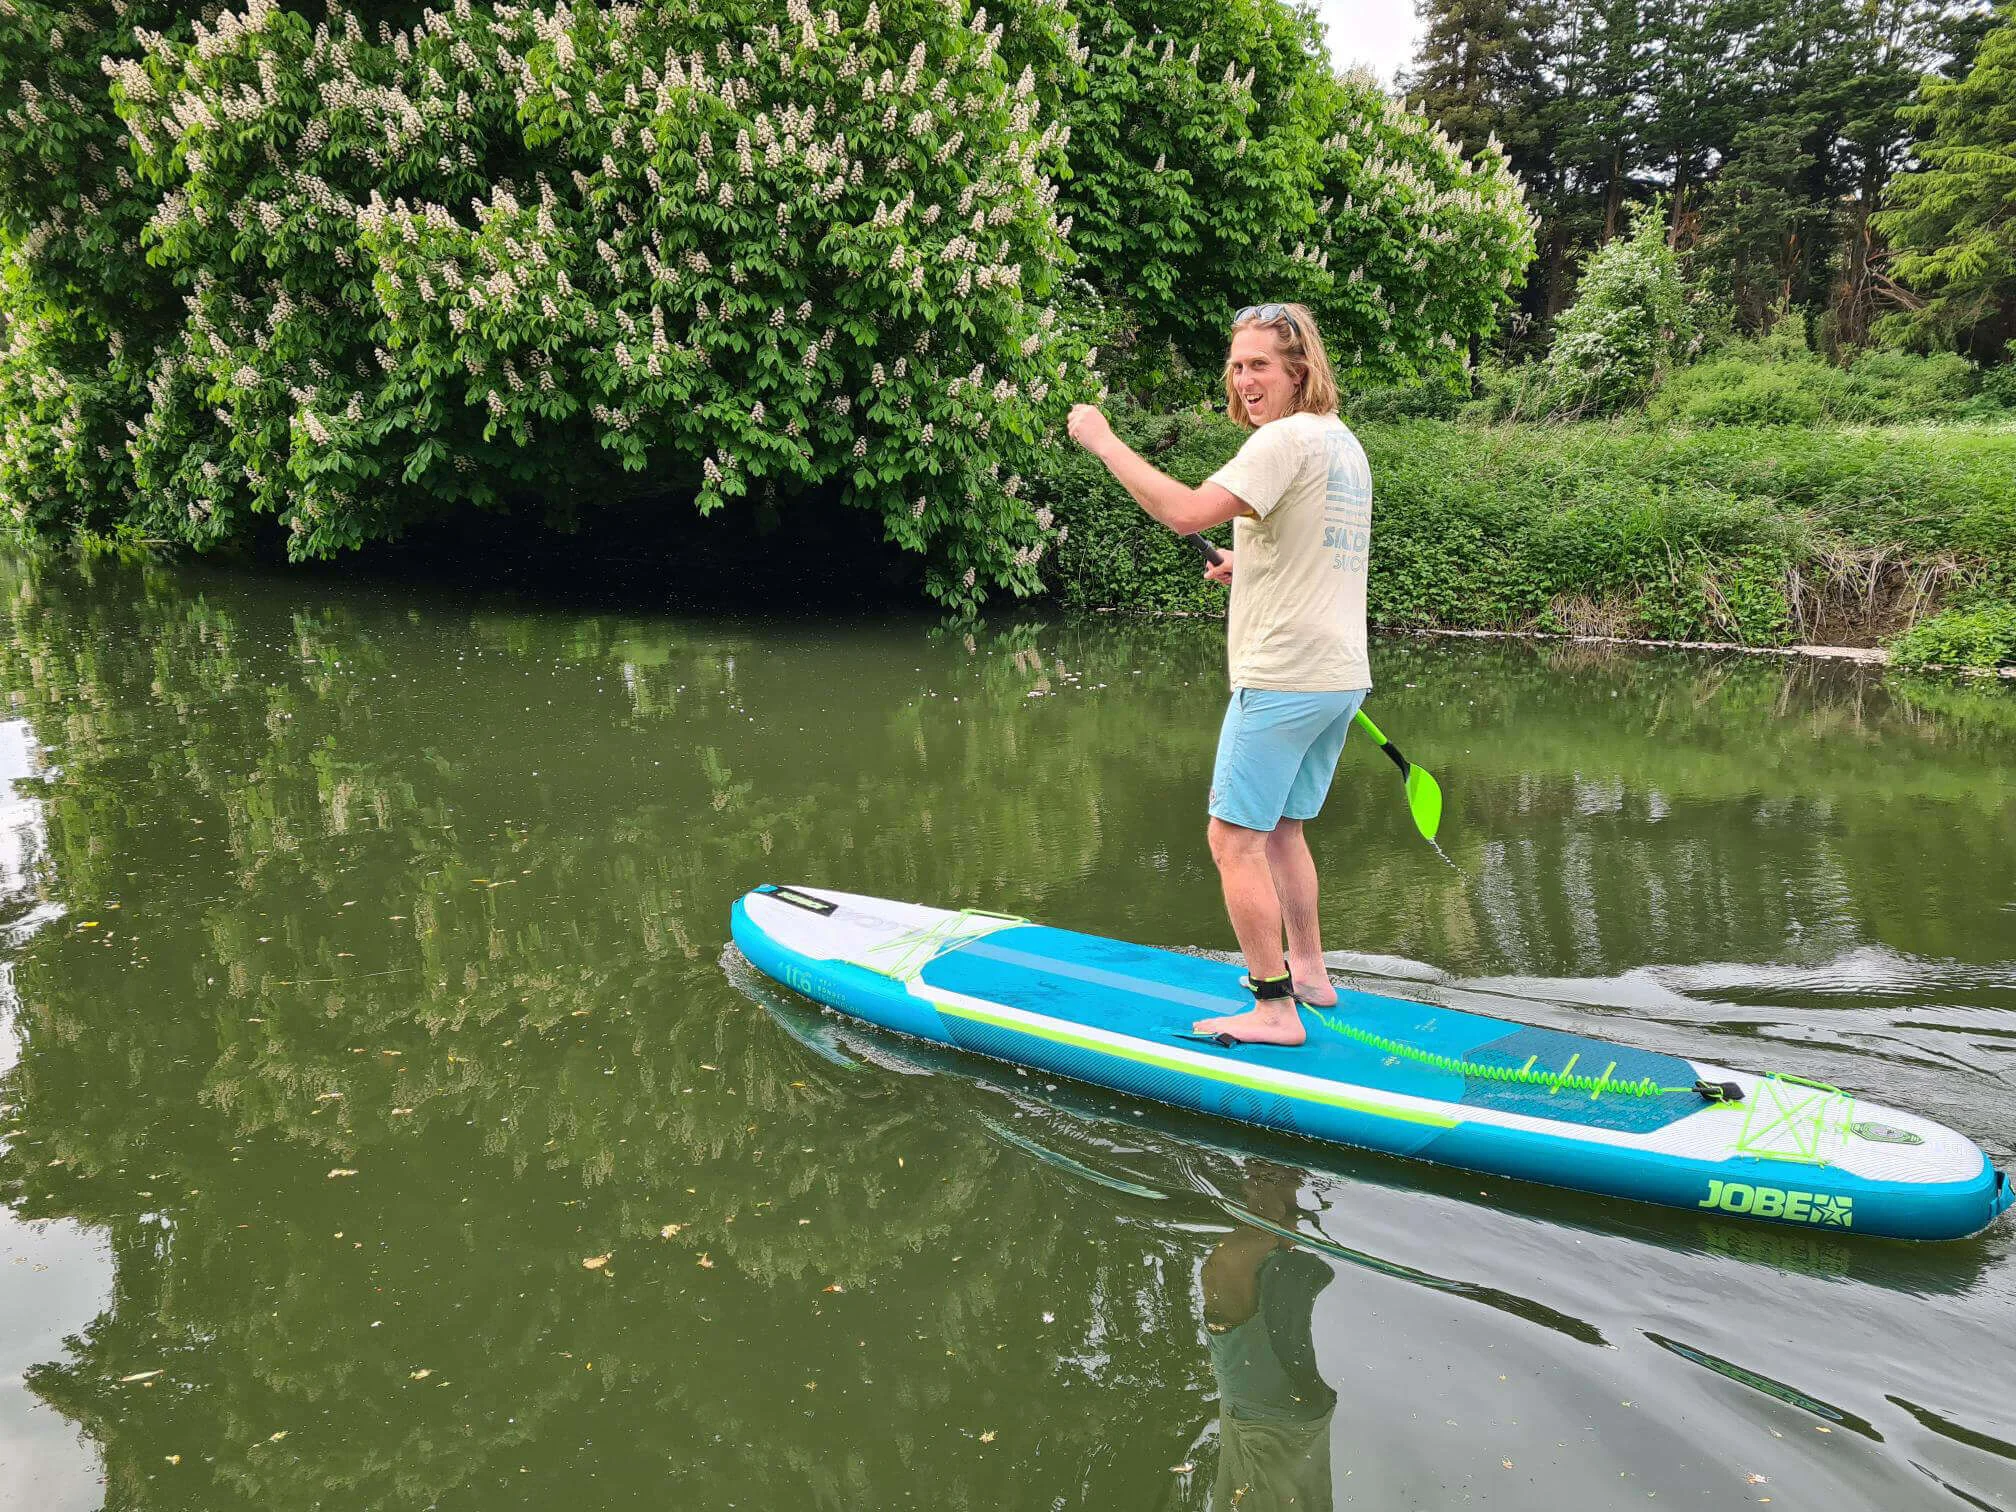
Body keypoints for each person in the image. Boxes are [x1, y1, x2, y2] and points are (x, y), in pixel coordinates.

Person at [1067, 302, 1372, 1046]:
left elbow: (1183, 513)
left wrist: (1107, 444)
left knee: (1232, 839)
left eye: (1259, 364)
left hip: (1281, 678)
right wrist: (1251, 563)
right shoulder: (1342, 444)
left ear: (1299, 370)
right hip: (1338, 676)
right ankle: (1308, 972)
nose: (1244, 378)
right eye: (1236, 365)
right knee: (1283, 830)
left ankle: (1274, 1009)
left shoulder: (1283, 441)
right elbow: (1310, 545)